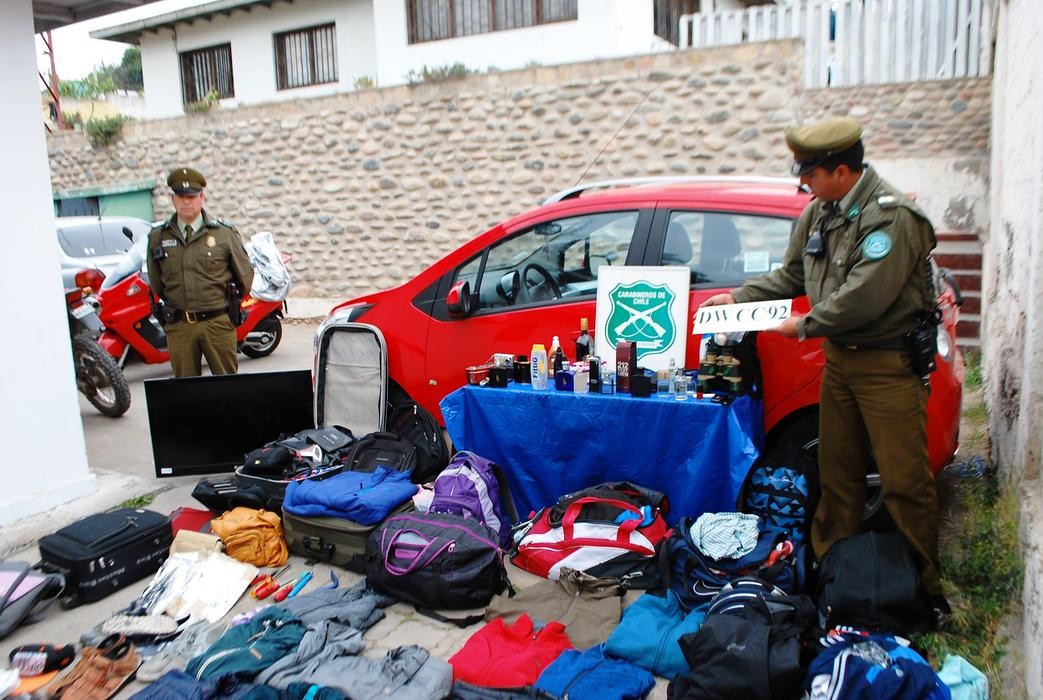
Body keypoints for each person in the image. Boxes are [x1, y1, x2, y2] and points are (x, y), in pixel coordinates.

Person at [700, 116, 950, 622]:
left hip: (887, 367)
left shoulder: (891, 219)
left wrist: (804, 324)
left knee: (904, 483)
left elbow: (864, 298)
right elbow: (791, 273)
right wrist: (739, 297)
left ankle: (925, 590)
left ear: (841, 170)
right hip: (840, 367)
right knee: (837, 477)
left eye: (810, 174)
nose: (804, 184)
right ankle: (828, 577)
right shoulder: (819, 214)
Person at [147, 167, 254, 377]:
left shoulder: (223, 234)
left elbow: (244, 278)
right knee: (187, 396)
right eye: (181, 196)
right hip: (179, 327)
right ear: (172, 199)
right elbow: (157, 282)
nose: (187, 201)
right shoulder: (158, 236)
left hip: (217, 323)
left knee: (227, 388)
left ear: (202, 197)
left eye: (192, 196)